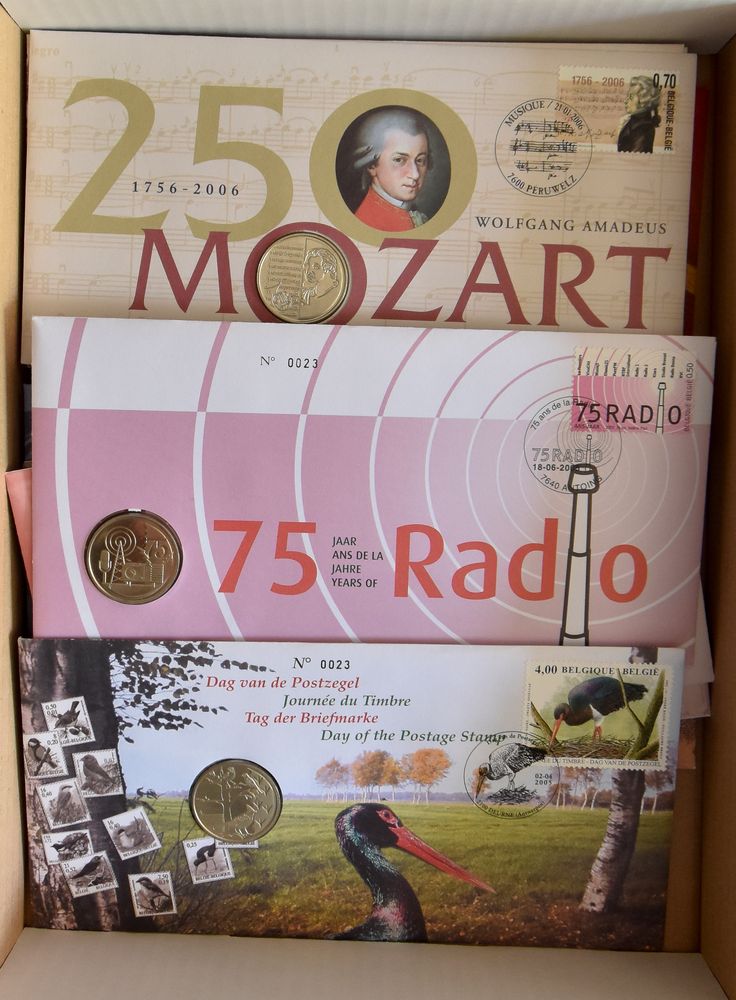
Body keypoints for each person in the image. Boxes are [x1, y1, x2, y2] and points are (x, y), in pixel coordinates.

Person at [350, 108, 432, 231]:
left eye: (420, 160)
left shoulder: (412, 214)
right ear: (372, 166)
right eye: (399, 160)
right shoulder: (369, 222)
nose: (415, 174)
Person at [617, 76, 662, 154]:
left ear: (643, 101)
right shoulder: (633, 122)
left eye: (630, 97)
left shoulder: (644, 130)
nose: (625, 101)